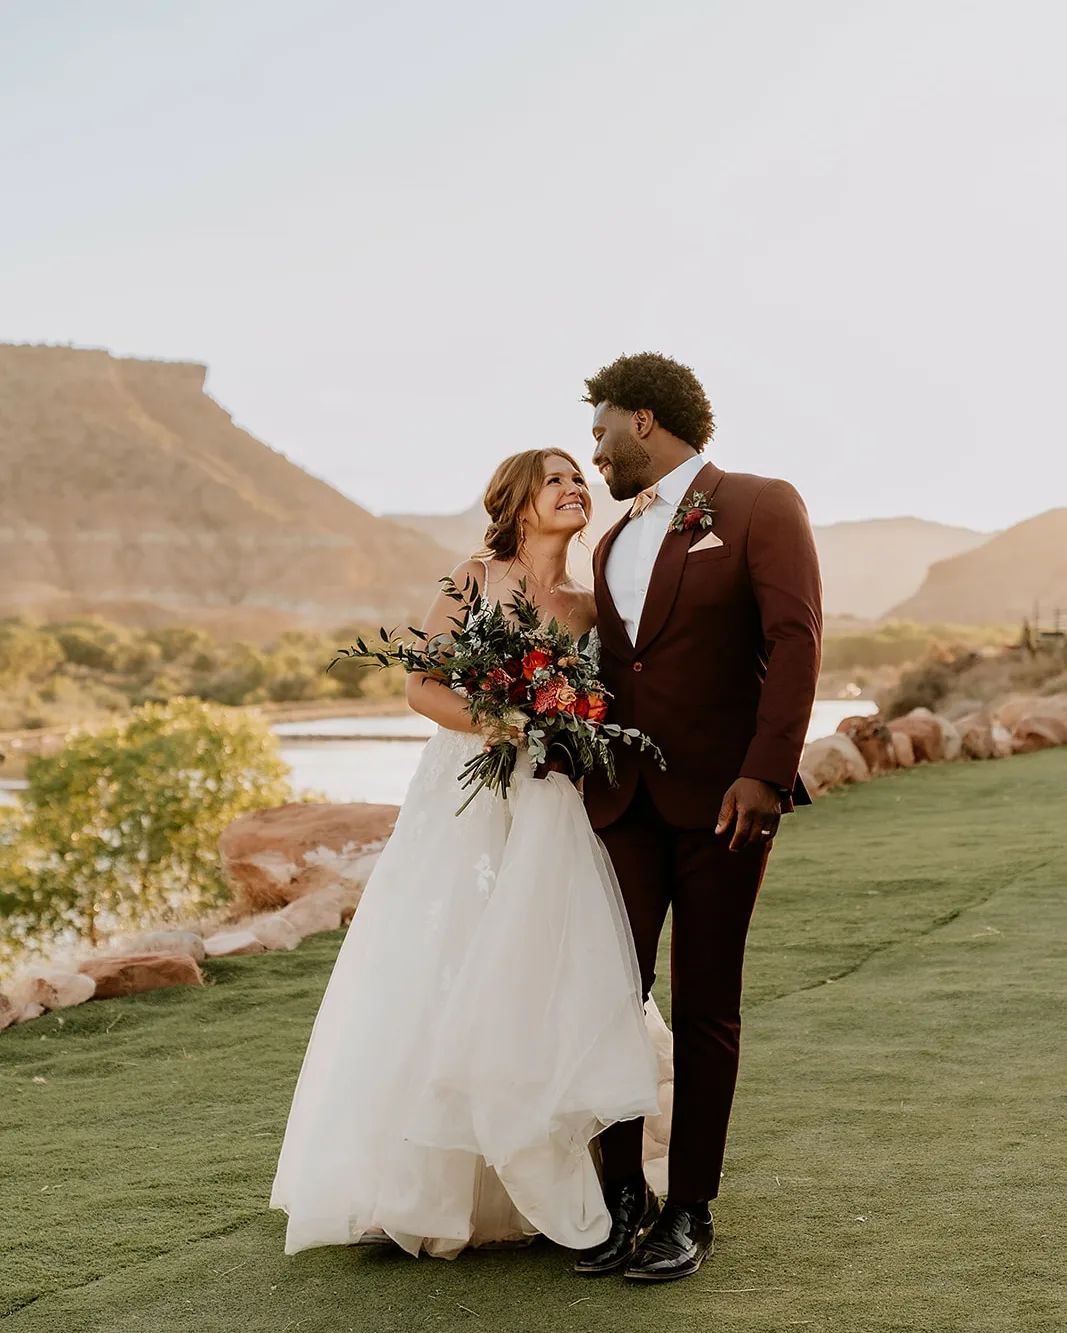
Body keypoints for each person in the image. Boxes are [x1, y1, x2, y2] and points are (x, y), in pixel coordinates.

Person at [271, 448, 664, 1260]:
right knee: (444, 955)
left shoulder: (590, 608)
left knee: (540, 961)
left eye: (577, 479)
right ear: (518, 500)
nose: (572, 489)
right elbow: (421, 687)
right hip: (468, 792)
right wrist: (510, 723)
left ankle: (567, 1165)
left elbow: (608, 699)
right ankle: (428, 1182)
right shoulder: (473, 577)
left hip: (550, 800)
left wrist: (570, 725)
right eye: (555, 478)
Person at [577, 352, 823, 1283]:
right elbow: (615, 672)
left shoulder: (760, 503)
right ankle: (619, 1199)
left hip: (725, 801)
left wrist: (765, 774)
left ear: (642, 420)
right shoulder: (607, 543)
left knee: (704, 1002)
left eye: (600, 432)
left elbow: (794, 640)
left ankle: (688, 1208)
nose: (593, 453)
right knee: (606, 1001)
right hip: (619, 807)